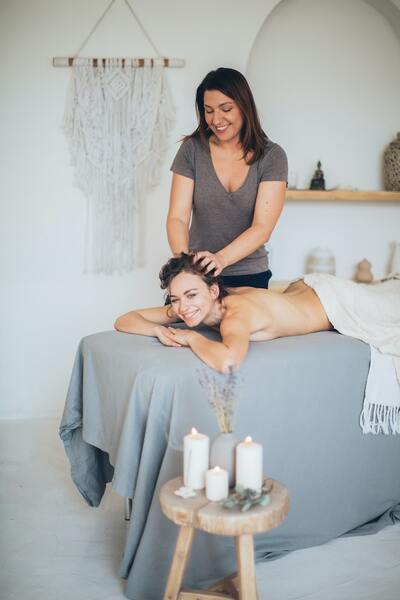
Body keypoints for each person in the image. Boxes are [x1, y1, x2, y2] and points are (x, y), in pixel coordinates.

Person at [166, 67, 288, 290]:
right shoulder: (192, 150)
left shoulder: (272, 156)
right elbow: (177, 218)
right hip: (198, 274)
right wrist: (185, 265)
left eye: (226, 109)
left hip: (250, 276)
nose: (216, 119)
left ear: (244, 106)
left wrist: (220, 259)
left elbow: (262, 228)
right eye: (209, 110)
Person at [114, 253, 333, 373]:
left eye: (191, 295)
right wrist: (157, 330)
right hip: (304, 287)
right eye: (175, 299)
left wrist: (191, 338)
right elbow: (124, 320)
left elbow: (228, 362)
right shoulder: (193, 306)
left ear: (213, 291)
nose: (183, 307)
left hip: (332, 301)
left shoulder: (235, 314)